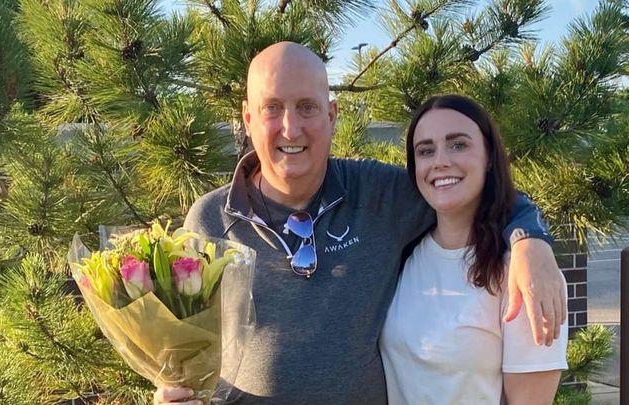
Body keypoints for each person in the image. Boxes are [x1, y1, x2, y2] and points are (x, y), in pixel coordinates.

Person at [154, 42, 566, 405]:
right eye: (272, 108)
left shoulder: (378, 193)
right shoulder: (209, 220)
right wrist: (172, 394)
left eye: (307, 107)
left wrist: (529, 240)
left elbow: (470, 189)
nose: (290, 128)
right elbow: (184, 351)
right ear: (247, 118)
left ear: (332, 115)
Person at [380, 94, 567, 404]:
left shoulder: (525, 273)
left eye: (458, 145)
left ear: (489, 156)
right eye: (426, 150)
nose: (440, 161)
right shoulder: (402, 252)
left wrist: (531, 239)